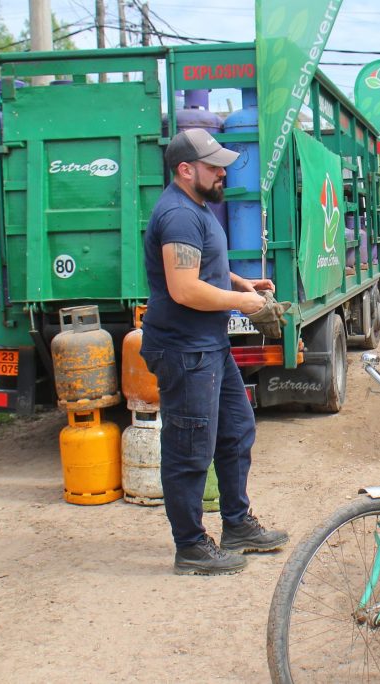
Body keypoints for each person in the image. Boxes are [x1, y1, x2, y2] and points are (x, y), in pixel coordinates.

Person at [141, 128, 289, 576]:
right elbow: (184, 287)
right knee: (190, 448)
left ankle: (237, 524)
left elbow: (206, 266)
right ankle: (190, 546)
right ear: (186, 170)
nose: (223, 172)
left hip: (209, 346)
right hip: (185, 350)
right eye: (213, 166)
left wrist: (242, 283)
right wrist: (241, 303)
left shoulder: (197, 208)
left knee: (235, 431)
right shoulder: (179, 215)